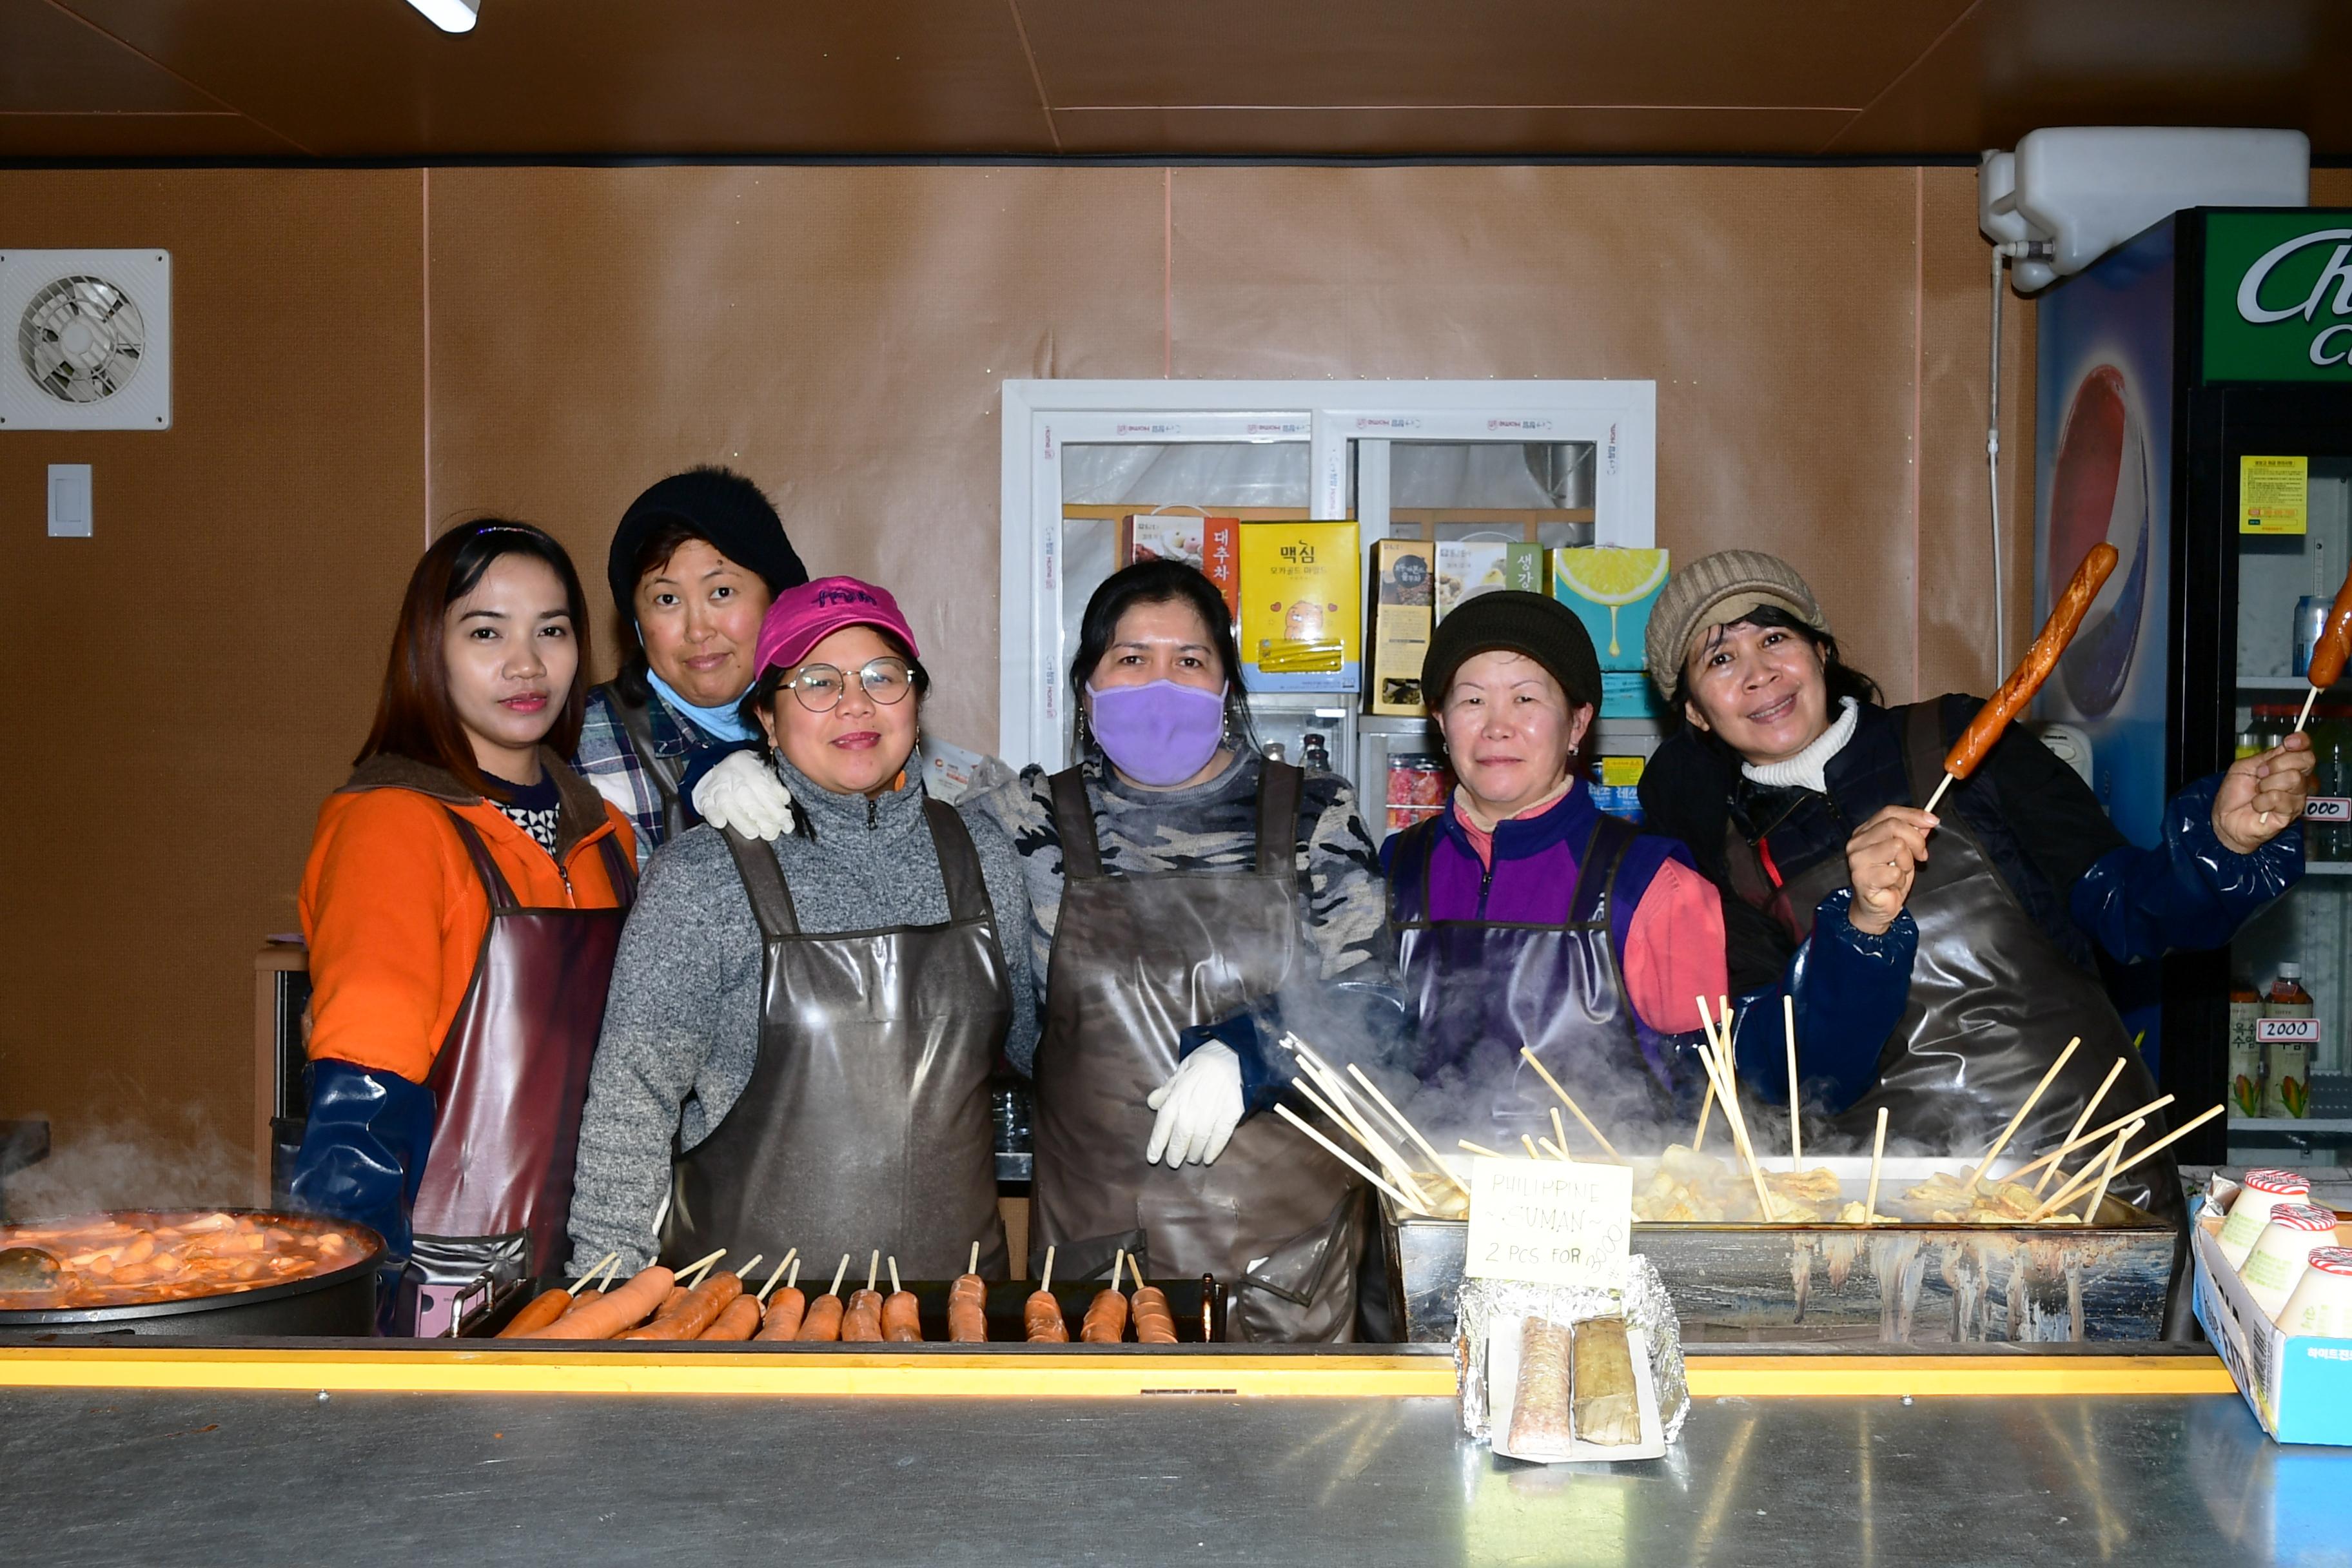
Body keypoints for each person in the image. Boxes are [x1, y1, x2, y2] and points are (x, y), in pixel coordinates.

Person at [1636, 549, 2309, 1217]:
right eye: (1720, 659)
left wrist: (2220, 846)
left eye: (1774, 637)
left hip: (2092, 1182)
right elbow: (1796, 1079)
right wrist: (1861, 928)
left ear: (1819, 649)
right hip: (1903, 1213)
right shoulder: (1726, 860)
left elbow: (2128, 909)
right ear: (1695, 711)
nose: (1758, 674)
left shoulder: (1957, 739)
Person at [566, 576, 1035, 1279]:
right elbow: (630, 1106)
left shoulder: (984, 855)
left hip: (952, 1328)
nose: (856, 703)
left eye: (883, 676)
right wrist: (601, 1291)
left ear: (915, 698)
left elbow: (1038, 1050)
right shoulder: (702, 876)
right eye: (816, 681)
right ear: (765, 715)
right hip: (745, 1334)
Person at [291, 520, 636, 1333]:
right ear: (427, 650)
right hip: (443, 1284)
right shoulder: (394, 824)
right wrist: (351, 1301)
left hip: (599, 1267)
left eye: (551, 631)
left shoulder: (607, 835)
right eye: (487, 632)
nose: (527, 664)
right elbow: (362, 1092)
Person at [1386, 592, 1726, 1141]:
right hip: (1429, 1204)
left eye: (1525, 699)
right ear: (1440, 724)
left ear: (1576, 724)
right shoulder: (1393, 872)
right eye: (1472, 701)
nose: (1497, 726)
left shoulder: (1654, 885)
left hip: (1603, 1210)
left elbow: (1706, 1107)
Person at [576, 467, 807, 865]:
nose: (697, 630)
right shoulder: (580, 744)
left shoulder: (833, 717)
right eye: (667, 600)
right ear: (636, 622)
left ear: (776, 602)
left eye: (721, 592)